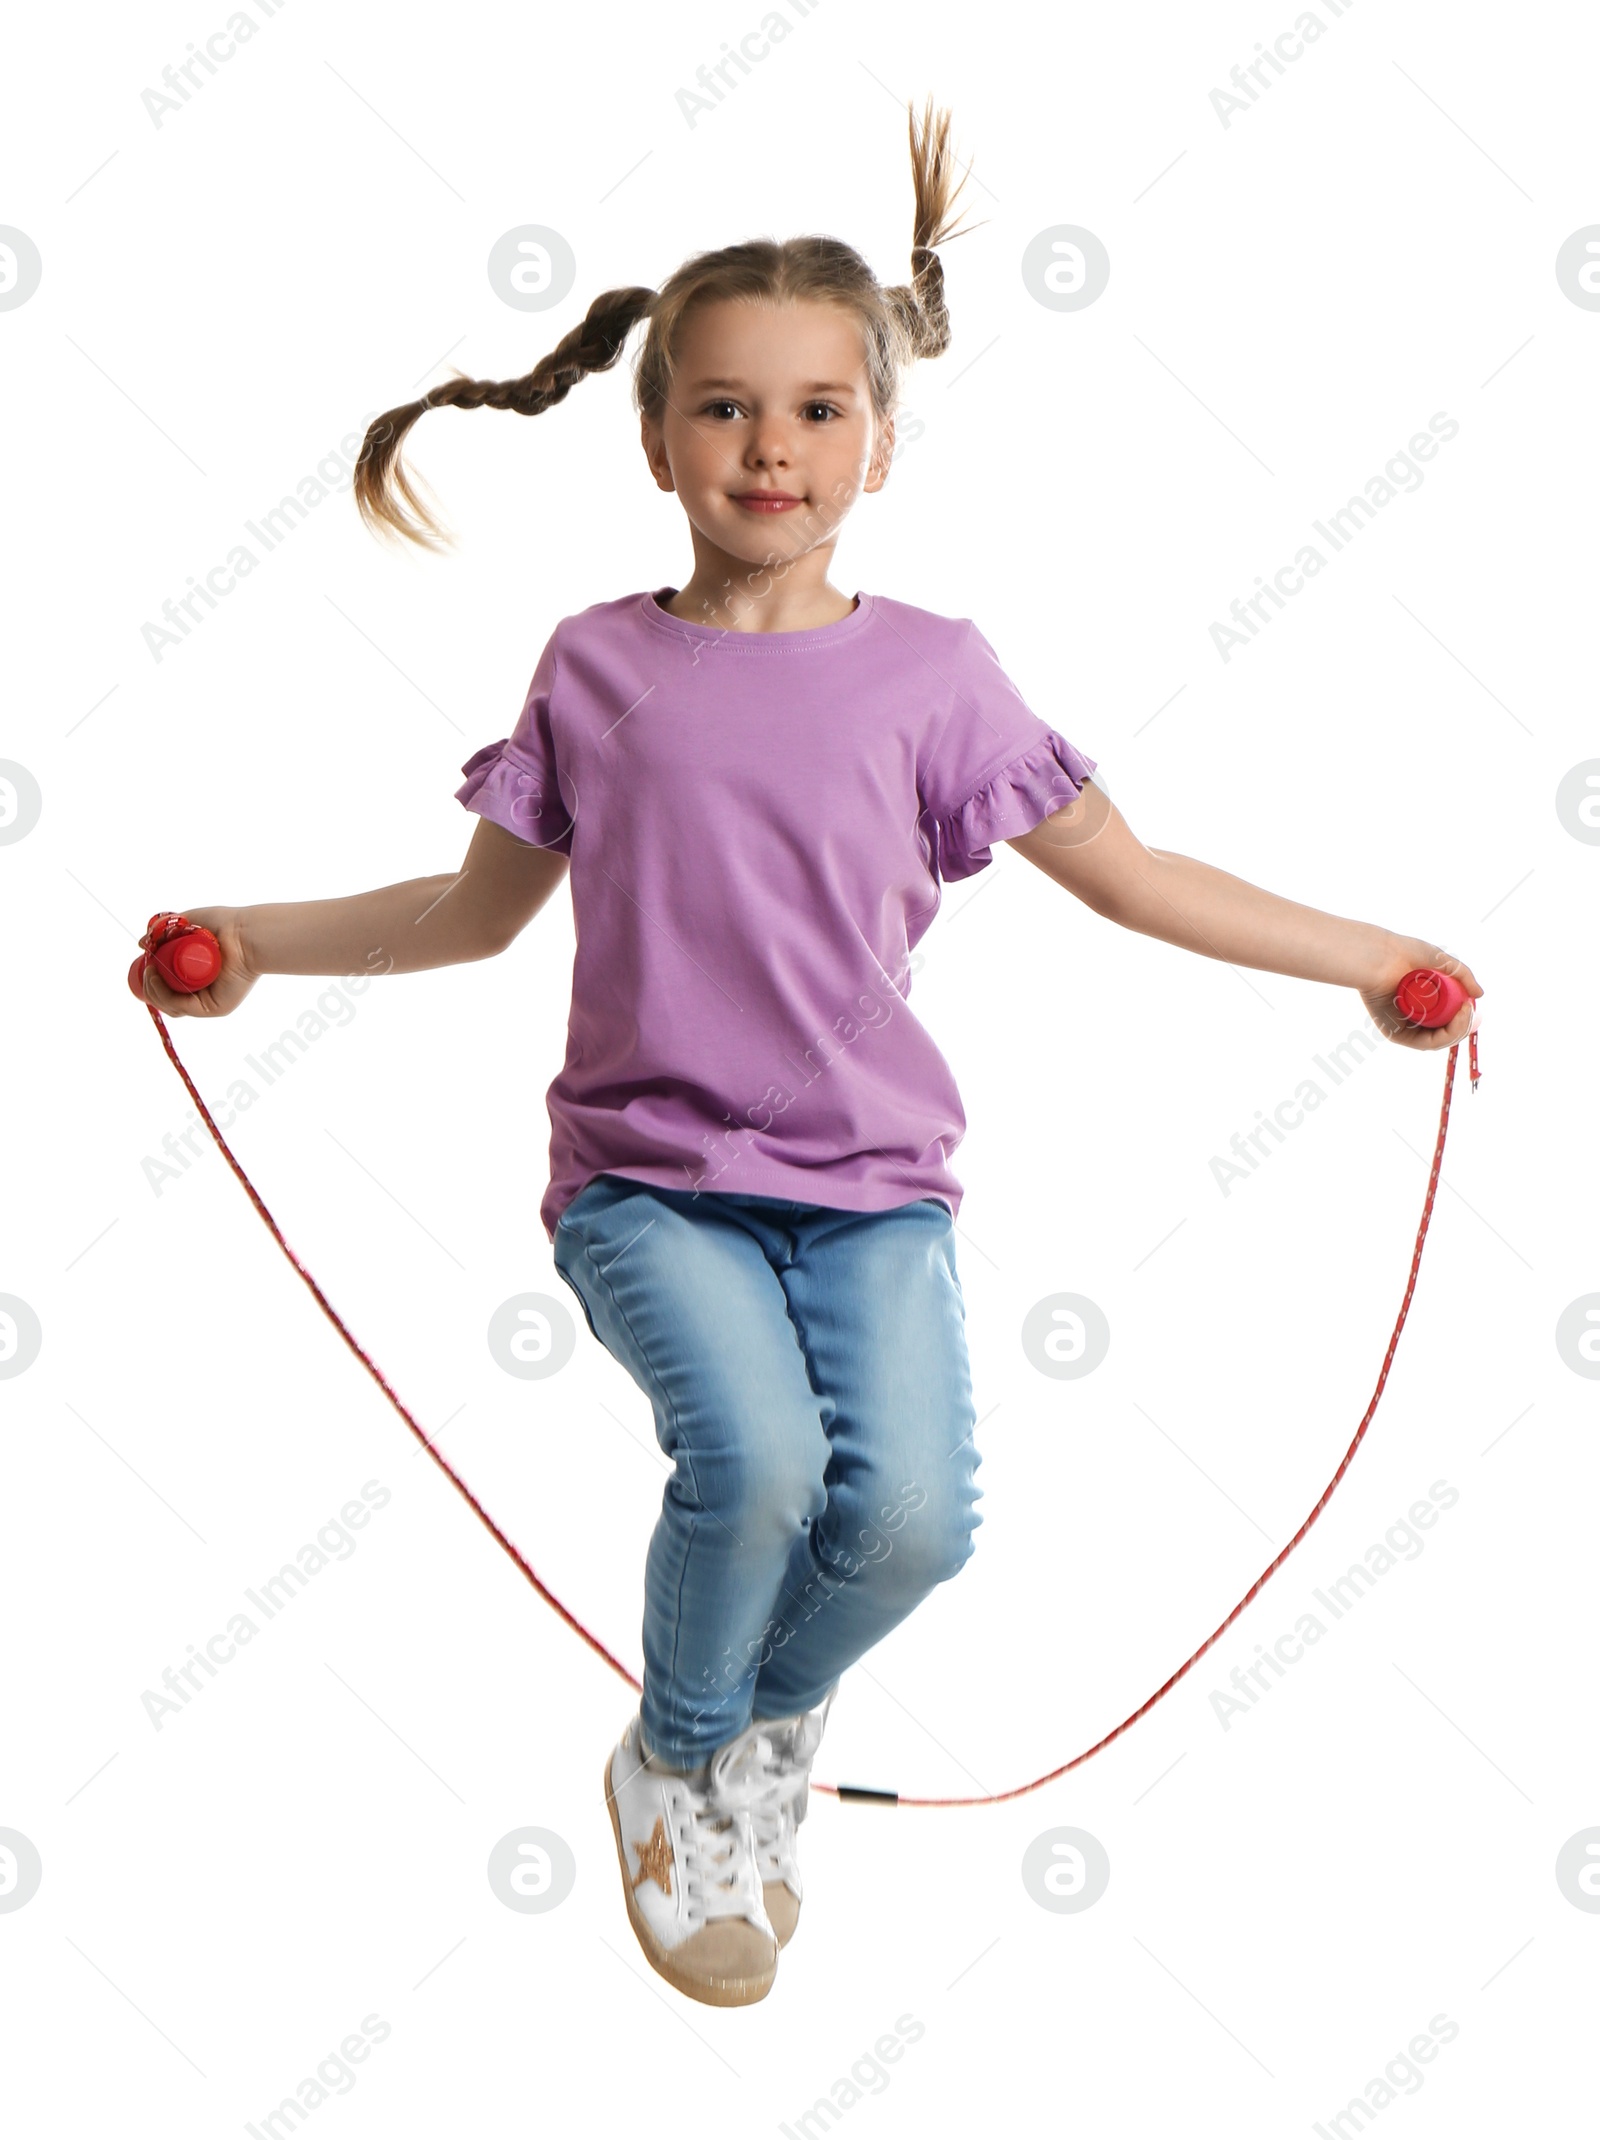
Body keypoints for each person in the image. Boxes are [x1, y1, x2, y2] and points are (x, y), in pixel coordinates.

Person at [139, 99, 1483, 2012]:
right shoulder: (597, 668)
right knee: (757, 1467)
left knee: (914, 1520)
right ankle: (684, 1770)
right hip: (647, 1182)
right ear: (654, 434)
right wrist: (253, 950)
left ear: (879, 433)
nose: (772, 447)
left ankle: (739, 1729)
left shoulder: (936, 674)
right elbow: (473, 917)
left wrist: (1373, 958)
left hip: (871, 1192)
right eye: (725, 408)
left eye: (817, 410)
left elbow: (1130, 875)